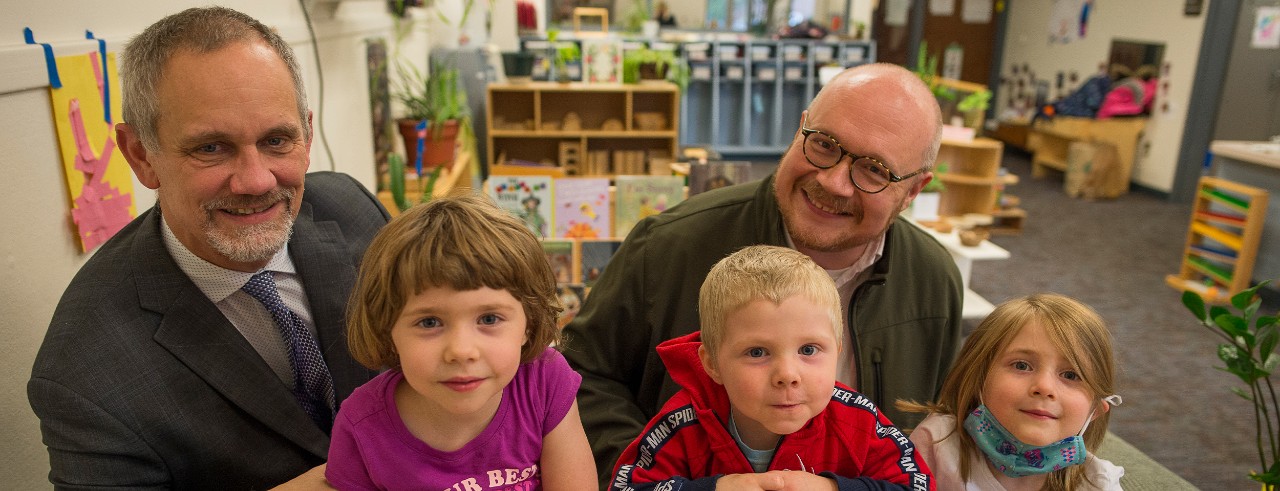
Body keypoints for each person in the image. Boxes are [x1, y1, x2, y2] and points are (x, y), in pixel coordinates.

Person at [27, 7, 390, 489]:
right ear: (141, 155)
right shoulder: (86, 374)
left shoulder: (352, 209)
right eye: (211, 148)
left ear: (305, 134)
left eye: (276, 140)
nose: (256, 180)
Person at [563, 62, 963, 486]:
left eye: (874, 170)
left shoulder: (933, 283)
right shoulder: (665, 247)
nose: (834, 182)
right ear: (800, 129)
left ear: (914, 190)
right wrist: (660, 476)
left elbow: (933, 430)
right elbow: (578, 381)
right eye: (825, 144)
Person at [328, 194, 596, 489]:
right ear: (386, 330)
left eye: (489, 319)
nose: (461, 351)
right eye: (429, 322)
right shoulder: (361, 425)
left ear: (528, 326)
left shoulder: (545, 382)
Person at [610, 246, 932, 491]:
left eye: (808, 349)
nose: (787, 374)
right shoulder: (682, 426)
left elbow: (919, 484)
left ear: (837, 350)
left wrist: (835, 488)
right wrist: (715, 488)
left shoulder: (858, 421)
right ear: (712, 364)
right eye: (757, 352)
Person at [898, 293, 1123, 490]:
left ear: (1095, 410)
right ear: (979, 378)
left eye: (1071, 375)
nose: (1044, 388)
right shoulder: (938, 443)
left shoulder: (1097, 483)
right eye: (1022, 365)